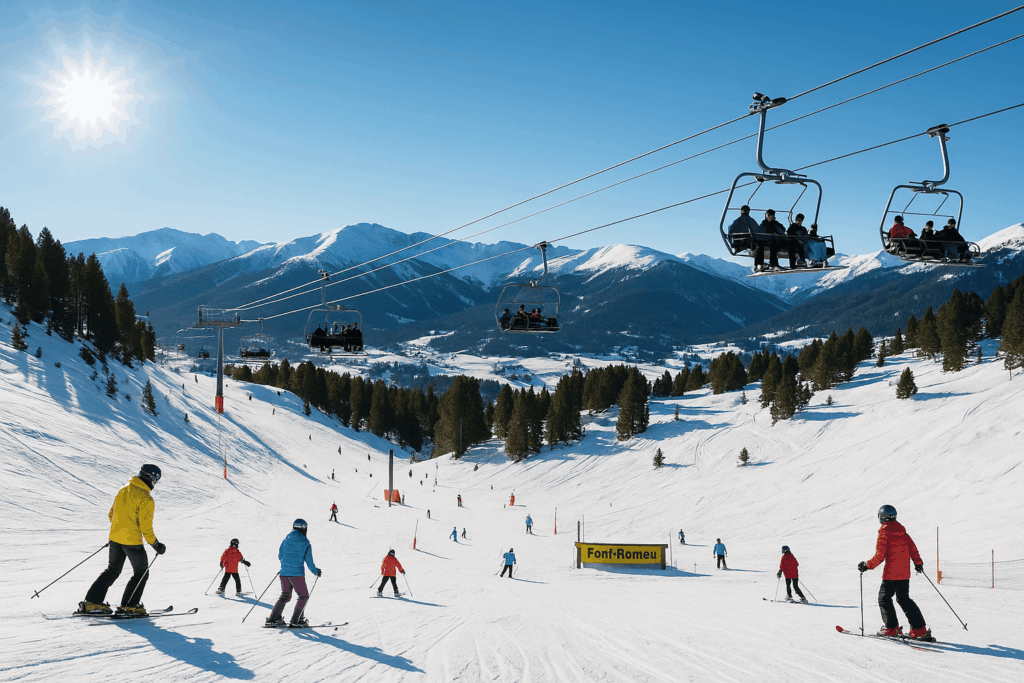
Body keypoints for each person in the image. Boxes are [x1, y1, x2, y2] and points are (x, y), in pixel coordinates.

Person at [79, 464, 167, 616]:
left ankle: (92, 602)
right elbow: (146, 528)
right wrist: (156, 545)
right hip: (132, 543)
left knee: (112, 570)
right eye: (155, 481)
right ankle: (129, 606)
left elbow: (111, 515)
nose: (154, 484)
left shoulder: (123, 489)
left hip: (115, 539)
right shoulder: (146, 499)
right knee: (141, 573)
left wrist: (120, 530)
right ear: (151, 478)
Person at [858, 505, 933, 641]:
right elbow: (913, 549)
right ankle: (919, 629)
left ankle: (891, 628)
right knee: (904, 599)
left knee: (884, 598)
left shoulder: (884, 534)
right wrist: (918, 563)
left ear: (882, 518)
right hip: (904, 574)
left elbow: (880, 556)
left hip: (891, 575)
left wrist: (866, 565)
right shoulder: (903, 533)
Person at [266, 519, 321, 628]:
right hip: (297, 575)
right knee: (303, 596)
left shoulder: (286, 540)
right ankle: (297, 620)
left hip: (284, 574)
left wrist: (286, 565)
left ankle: (273, 619)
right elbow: (309, 560)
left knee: (285, 596)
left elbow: (280, 556)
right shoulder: (305, 542)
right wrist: (316, 571)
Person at [727, 205, 760, 270]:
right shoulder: (750, 221)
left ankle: (738, 248)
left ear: (740, 212)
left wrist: (731, 241)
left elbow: (729, 231)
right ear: (748, 212)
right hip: (748, 243)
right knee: (759, 244)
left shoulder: (735, 222)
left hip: (736, 243)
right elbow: (757, 231)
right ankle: (758, 264)